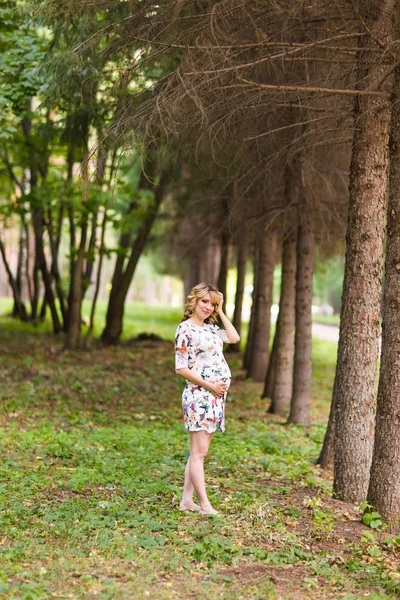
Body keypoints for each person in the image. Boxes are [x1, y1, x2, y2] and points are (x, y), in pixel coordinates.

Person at [175, 282, 240, 515]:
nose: (208, 307)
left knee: (199, 453)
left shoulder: (211, 329)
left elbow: (234, 338)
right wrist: (210, 386)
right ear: (194, 301)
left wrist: (221, 310)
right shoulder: (185, 329)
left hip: (215, 398)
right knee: (198, 453)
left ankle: (186, 500)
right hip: (199, 396)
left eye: (212, 304)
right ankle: (204, 505)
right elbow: (181, 368)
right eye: (205, 302)